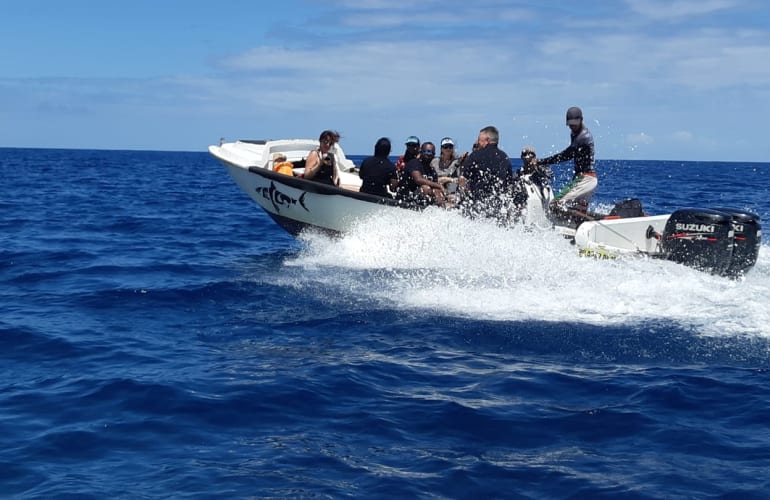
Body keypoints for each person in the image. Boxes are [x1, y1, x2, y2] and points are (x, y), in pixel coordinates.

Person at [536, 106, 597, 211]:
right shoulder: (574, 133)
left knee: (554, 204)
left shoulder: (583, 137)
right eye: (570, 125)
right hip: (584, 179)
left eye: (574, 124)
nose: (572, 127)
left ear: (581, 120)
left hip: (585, 179)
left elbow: (566, 155)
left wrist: (541, 161)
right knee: (578, 210)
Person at [458, 125, 514, 219]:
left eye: (479, 139)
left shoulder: (475, 155)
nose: (478, 142)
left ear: (487, 140)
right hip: (498, 207)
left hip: (478, 206)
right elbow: (509, 185)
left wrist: (464, 198)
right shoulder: (505, 158)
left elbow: (463, 179)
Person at [397, 141, 446, 207]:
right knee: (425, 188)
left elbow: (435, 189)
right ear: (421, 152)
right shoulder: (414, 163)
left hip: (422, 203)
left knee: (437, 191)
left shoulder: (432, 171)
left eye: (432, 152)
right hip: (406, 200)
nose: (429, 154)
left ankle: (442, 211)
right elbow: (418, 179)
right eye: (427, 151)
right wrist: (439, 185)